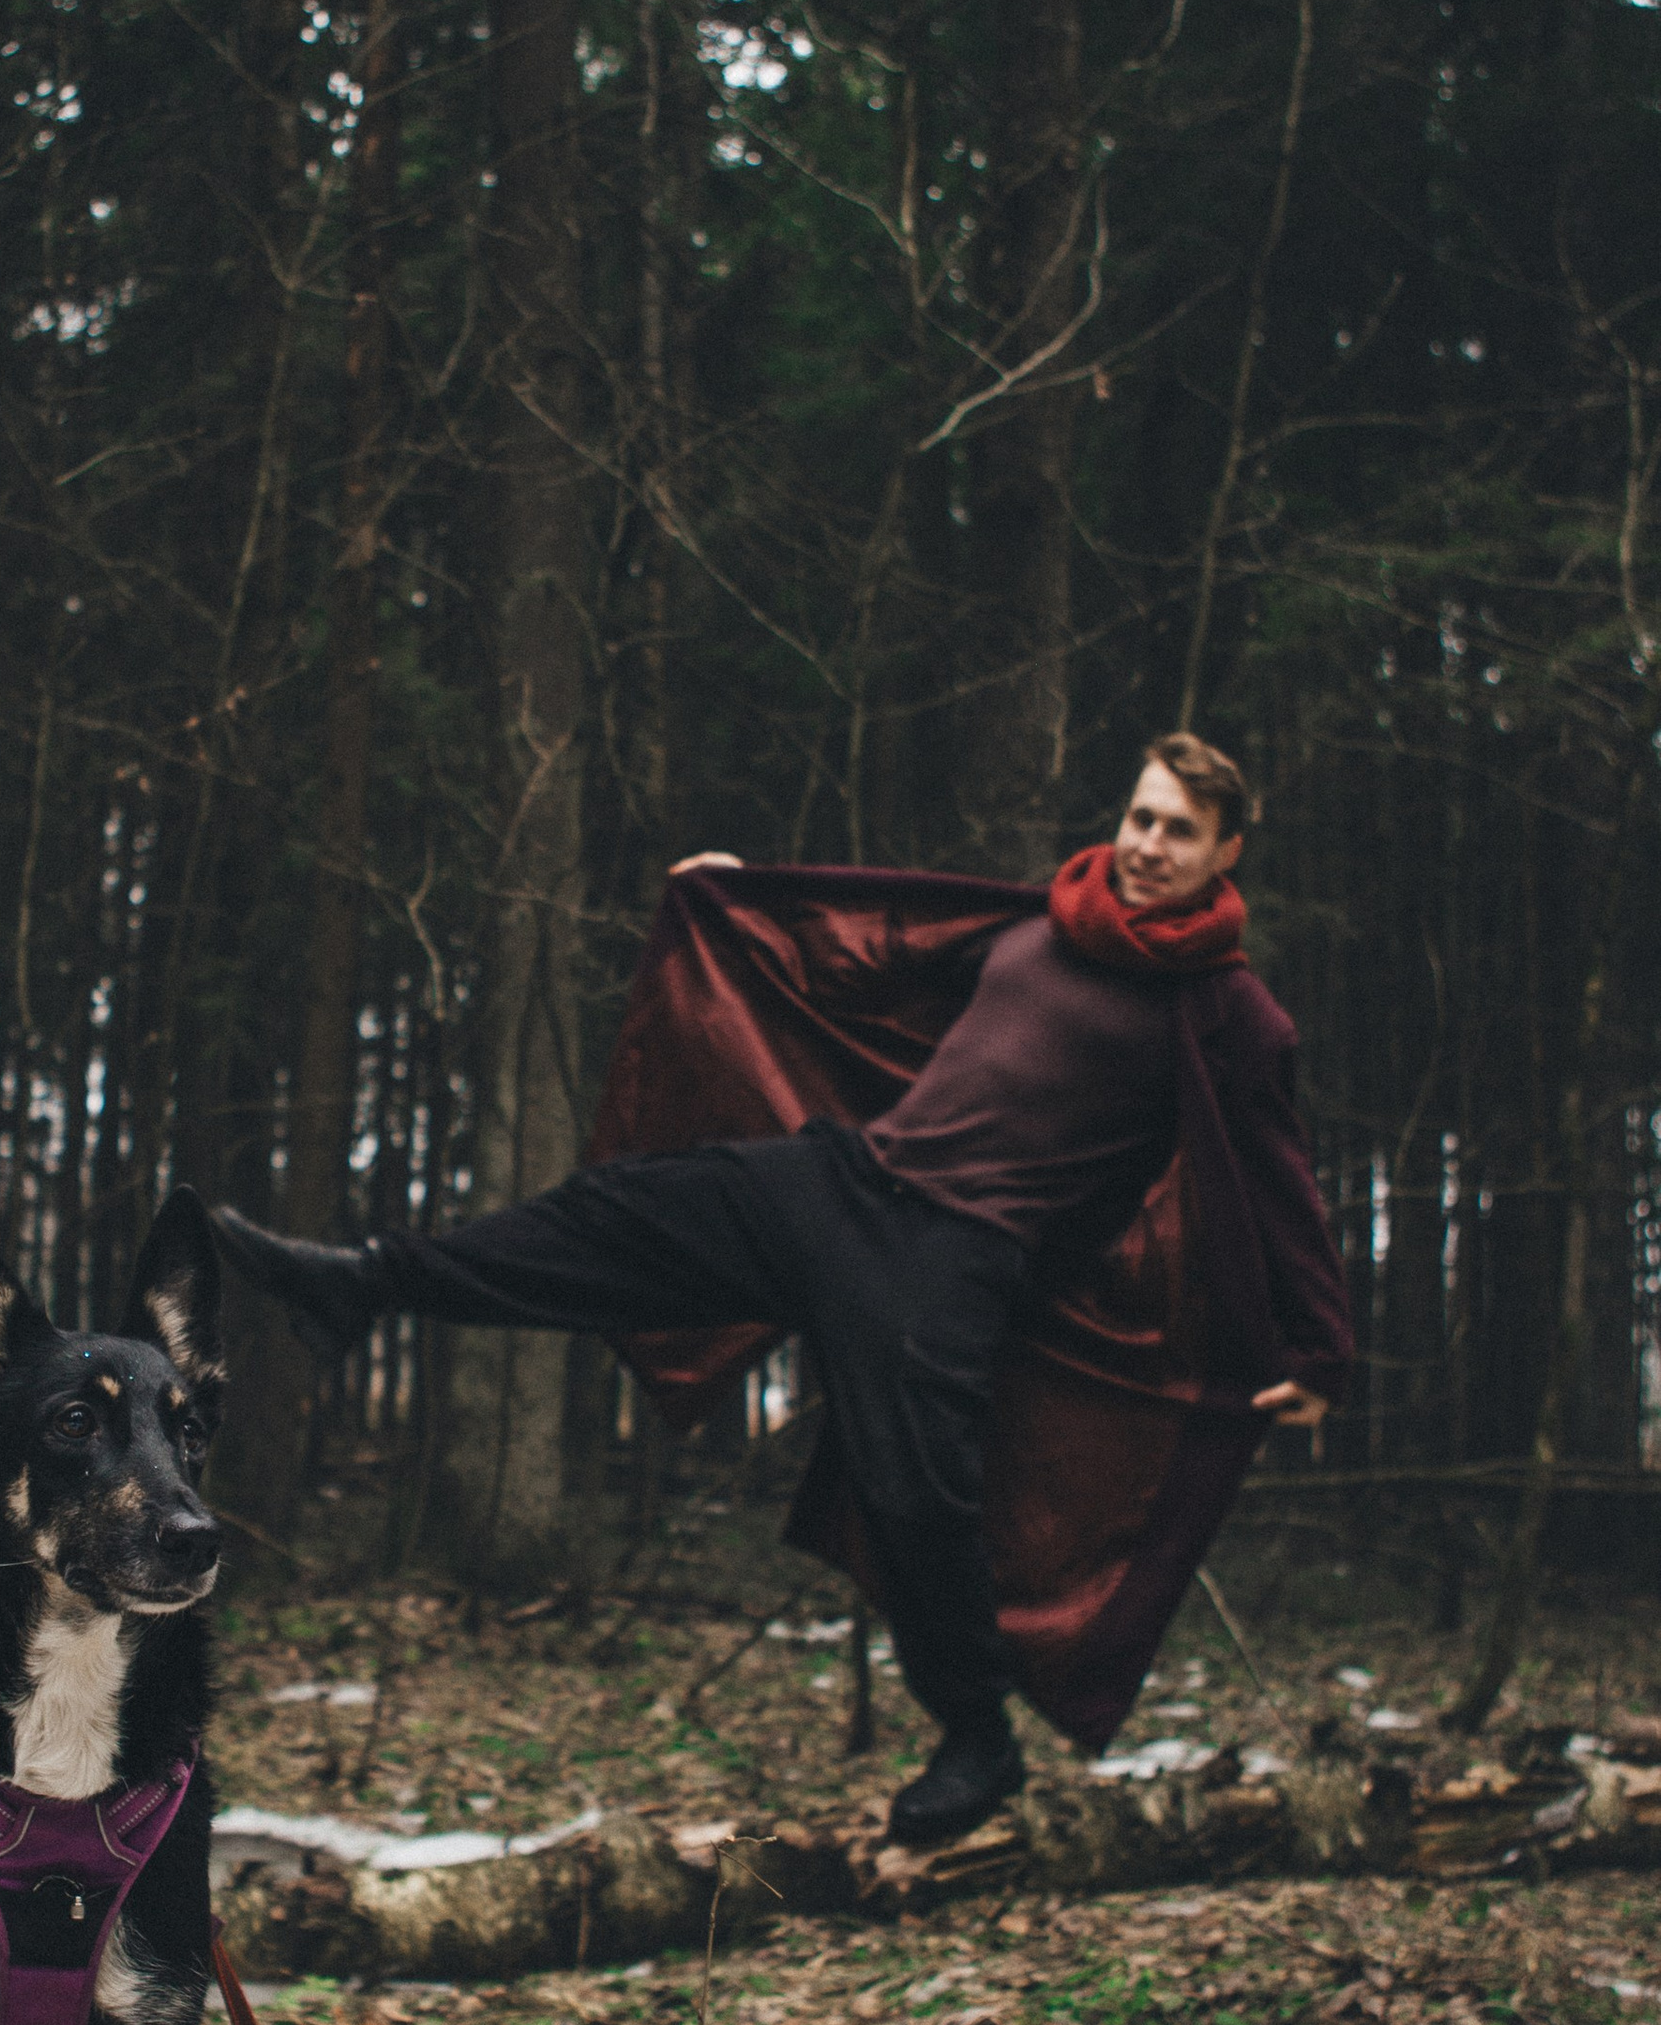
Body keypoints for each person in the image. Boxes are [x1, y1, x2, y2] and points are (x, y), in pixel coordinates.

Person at [216, 735, 1353, 1850]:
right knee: (621, 1216)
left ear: (1225, 852)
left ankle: (976, 1737)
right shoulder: (1039, 919)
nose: (1148, 846)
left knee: (918, 1499)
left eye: (1179, 832)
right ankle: (363, 1284)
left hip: (956, 1260)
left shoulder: (1226, 1016)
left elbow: (1273, 1177)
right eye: (1141, 817)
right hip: (851, 1179)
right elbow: (868, 942)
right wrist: (741, 901)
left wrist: (1317, 1353)